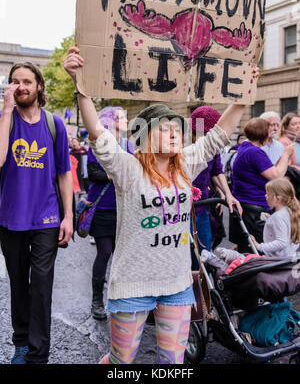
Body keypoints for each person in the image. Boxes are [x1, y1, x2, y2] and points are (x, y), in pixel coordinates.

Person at [64, 46, 259, 365]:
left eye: (176, 130)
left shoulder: (186, 163)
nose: (174, 135)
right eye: (164, 129)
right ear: (145, 136)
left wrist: (242, 95)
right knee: (120, 361)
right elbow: (99, 134)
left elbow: (218, 136)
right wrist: (81, 87)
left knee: (173, 361)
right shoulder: (126, 168)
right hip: (131, 287)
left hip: (177, 285)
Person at [0, 62, 73, 364]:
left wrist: (68, 216)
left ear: (39, 86)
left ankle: (38, 353)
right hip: (9, 218)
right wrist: (5, 111)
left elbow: (64, 174)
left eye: (27, 81)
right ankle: (21, 342)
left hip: (46, 217)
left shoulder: (55, 125)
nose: (21, 87)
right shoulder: (5, 121)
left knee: (41, 286)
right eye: (15, 81)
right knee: (18, 284)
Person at [87, 106, 133, 320]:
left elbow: (136, 172)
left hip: (126, 210)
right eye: (122, 117)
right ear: (111, 121)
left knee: (123, 258)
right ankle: (97, 300)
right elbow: (93, 173)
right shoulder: (97, 143)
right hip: (103, 209)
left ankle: (121, 299)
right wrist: (115, 173)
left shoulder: (128, 145)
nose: (125, 120)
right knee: (105, 252)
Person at [229, 117, 294, 253]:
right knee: (257, 252)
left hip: (246, 207)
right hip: (254, 208)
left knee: (247, 250)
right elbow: (276, 176)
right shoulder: (255, 152)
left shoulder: (245, 147)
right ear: (264, 137)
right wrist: (285, 155)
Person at [189, 106, 242, 264]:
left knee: (205, 250)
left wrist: (227, 194)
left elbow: (217, 172)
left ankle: (204, 282)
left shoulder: (213, 149)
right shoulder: (186, 149)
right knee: (190, 252)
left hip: (203, 207)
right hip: (185, 208)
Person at [250, 178, 300, 258]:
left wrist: (259, 246)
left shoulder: (278, 217)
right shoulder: (289, 211)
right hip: (290, 256)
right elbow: (286, 227)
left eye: (268, 194)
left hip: (277, 260)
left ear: (278, 199)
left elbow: (281, 242)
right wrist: (270, 219)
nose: (265, 196)